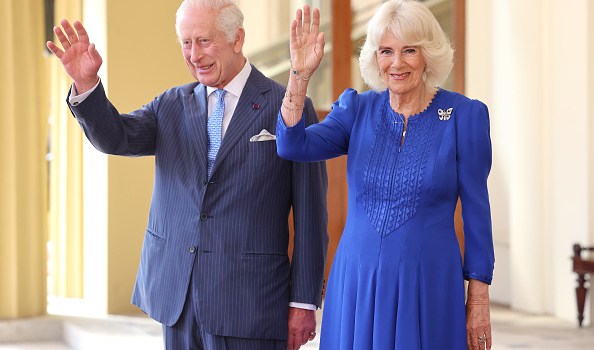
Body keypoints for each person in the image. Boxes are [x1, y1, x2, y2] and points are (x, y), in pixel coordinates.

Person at [46, 0, 328, 349]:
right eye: (185, 42)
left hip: (250, 303)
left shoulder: (287, 106)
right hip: (177, 297)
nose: (193, 54)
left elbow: (311, 214)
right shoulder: (170, 104)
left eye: (204, 41)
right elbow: (115, 136)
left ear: (237, 39)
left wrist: (303, 302)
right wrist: (86, 85)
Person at [276, 1, 495, 349]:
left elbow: (477, 214)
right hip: (357, 282)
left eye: (409, 50)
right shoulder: (356, 109)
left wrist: (478, 299)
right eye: (386, 51)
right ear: (375, 58)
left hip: (428, 284)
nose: (396, 63)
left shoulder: (463, 117)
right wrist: (300, 75)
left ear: (428, 55)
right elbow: (293, 145)